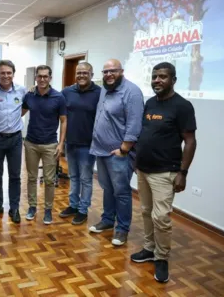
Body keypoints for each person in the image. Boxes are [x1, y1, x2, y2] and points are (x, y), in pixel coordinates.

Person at [131, 62, 197, 283]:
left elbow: (190, 141)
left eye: (162, 77)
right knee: (146, 212)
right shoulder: (150, 103)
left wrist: (183, 173)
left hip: (165, 172)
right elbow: (145, 135)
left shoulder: (182, 106)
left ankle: (162, 257)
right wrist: (136, 160)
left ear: (173, 80)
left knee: (161, 217)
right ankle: (149, 249)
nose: (157, 80)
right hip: (143, 169)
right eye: (154, 76)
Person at [89, 59, 144, 246]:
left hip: (119, 153)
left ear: (122, 71)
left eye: (113, 71)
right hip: (101, 150)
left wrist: (124, 149)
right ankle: (107, 220)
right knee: (107, 188)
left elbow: (134, 124)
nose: (108, 75)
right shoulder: (105, 88)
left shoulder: (132, 92)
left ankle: (122, 229)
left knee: (121, 191)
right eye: (105, 72)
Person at [22, 65, 67, 225]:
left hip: (50, 145)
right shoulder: (29, 95)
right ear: (35, 77)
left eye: (45, 76)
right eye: (39, 76)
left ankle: (48, 210)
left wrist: (61, 144)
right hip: (31, 143)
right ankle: (32, 207)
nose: (42, 79)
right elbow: (20, 112)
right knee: (32, 178)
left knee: (49, 180)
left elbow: (63, 120)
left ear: (50, 78)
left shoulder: (58, 97)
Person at [59, 62, 101, 225]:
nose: (81, 75)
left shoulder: (99, 93)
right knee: (73, 176)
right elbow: (55, 102)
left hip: (88, 145)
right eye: (79, 73)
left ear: (91, 74)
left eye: (85, 72)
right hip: (71, 142)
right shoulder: (67, 92)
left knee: (86, 178)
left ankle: (83, 210)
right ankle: (73, 205)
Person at [0, 60, 26, 224]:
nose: (6, 76)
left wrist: (13, 121)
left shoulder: (21, 91)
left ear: (13, 74)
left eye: (9, 73)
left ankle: (14, 207)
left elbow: (24, 108)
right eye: (3, 72)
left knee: (15, 175)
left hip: (16, 139)